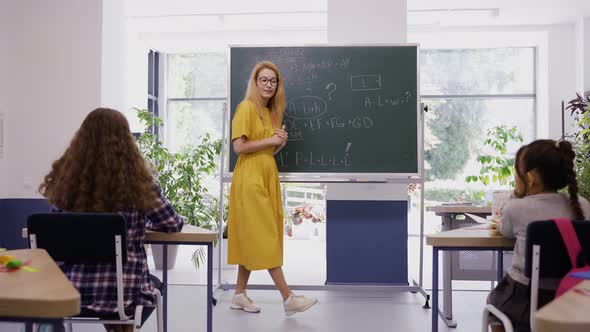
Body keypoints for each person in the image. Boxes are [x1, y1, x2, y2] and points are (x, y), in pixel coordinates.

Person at [39, 108, 184, 332]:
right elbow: (172, 224)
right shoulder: (138, 184)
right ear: (126, 142)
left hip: (69, 290)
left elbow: (57, 231)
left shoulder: (66, 185)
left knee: (119, 297)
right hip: (122, 291)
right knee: (145, 291)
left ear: (82, 140)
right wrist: (140, 224)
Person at [227, 61, 318, 315]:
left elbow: (265, 148)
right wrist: (270, 139)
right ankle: (289, 298)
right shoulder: (246, 108)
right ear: (255, 83)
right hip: (250, 176)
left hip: (267, 172)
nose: (268, 85)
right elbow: (239, 148)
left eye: (273, 81)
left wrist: (278, 143)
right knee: (265, 234)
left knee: (255, 234)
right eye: (263, 80)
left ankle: (238, 295)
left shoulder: (269, 112)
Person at [487, 139, 590, 332]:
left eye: (516, 172)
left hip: (525, 299)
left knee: (493, 302)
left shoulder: (516, 208)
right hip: (571, 295)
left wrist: (516, 194)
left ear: (531, 178)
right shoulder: (582, 205)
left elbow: (505, 230)